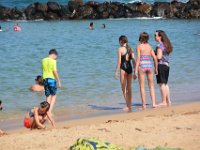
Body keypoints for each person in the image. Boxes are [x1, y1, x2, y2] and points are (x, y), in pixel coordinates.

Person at [135, 32, 158, 109]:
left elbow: (138, 59)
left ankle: (144, 105)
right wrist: (156, 68)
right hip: (149, 65)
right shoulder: (150, 47)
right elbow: (155, 58)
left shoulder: (139, 46)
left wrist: (135, 71)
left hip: (142, 65)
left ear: (141, 38)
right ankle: (154, 103)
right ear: (147, 38)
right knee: (151, 86)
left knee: (142, 87)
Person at [115, 35, 136, 112]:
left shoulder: (120, 49)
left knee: (123, 88)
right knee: (129, 88)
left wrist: (116, 72)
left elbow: (119, 62)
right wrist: (135, 72)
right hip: (130, 68)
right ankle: (129, 105)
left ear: (121, 41)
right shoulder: (130, 49)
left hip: (123, 69)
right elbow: (133, 60)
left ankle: (128, 105)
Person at [155, 30, 173, 107]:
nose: (154, 37)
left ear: (160, 37)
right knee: (165, 84)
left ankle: (163, 102)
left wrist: (152, 55)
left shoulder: (160, 46)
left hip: (161, 65)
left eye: (155, 35)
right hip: (167, 65)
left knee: (161, 84)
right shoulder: (166, 44)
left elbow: (159, 57)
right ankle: (168, 101)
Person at [42, 49, 61, 116]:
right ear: (54, 54)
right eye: (56, 57)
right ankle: (49, 111)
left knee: (48, 96)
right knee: (54, 95)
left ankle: (46, 111)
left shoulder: (43, 60)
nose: (56, 58)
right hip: (51, 79)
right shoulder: (53, 61)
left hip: (44, 79)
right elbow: (54, 71)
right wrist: (59, 81)